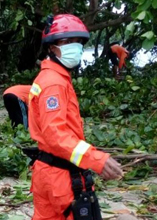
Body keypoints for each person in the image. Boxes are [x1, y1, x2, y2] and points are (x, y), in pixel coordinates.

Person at [28, 14, 123, 220]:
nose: (75, 46)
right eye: (68, 41)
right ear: (52, 47)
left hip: (47, 171)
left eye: (78, 42)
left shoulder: (53, 77)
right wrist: (97, 159)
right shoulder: (54, 83)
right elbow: (56, 134)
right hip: (60, 176)